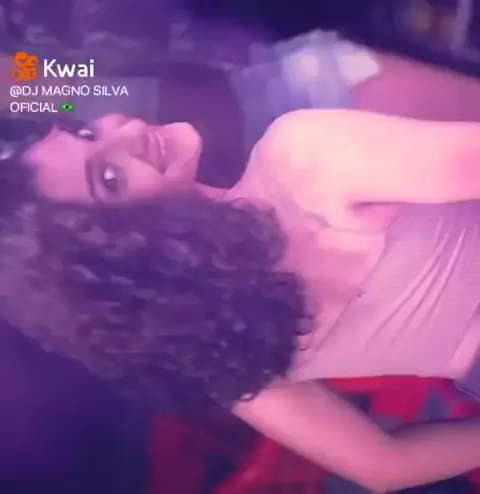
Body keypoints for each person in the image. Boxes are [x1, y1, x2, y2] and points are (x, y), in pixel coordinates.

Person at [2, 74, 480, 491]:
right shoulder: (299, 159)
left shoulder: (230, 359)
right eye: (111, 178)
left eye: (87, 132)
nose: (126, 130)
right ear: (124, 250)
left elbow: (385, 468)